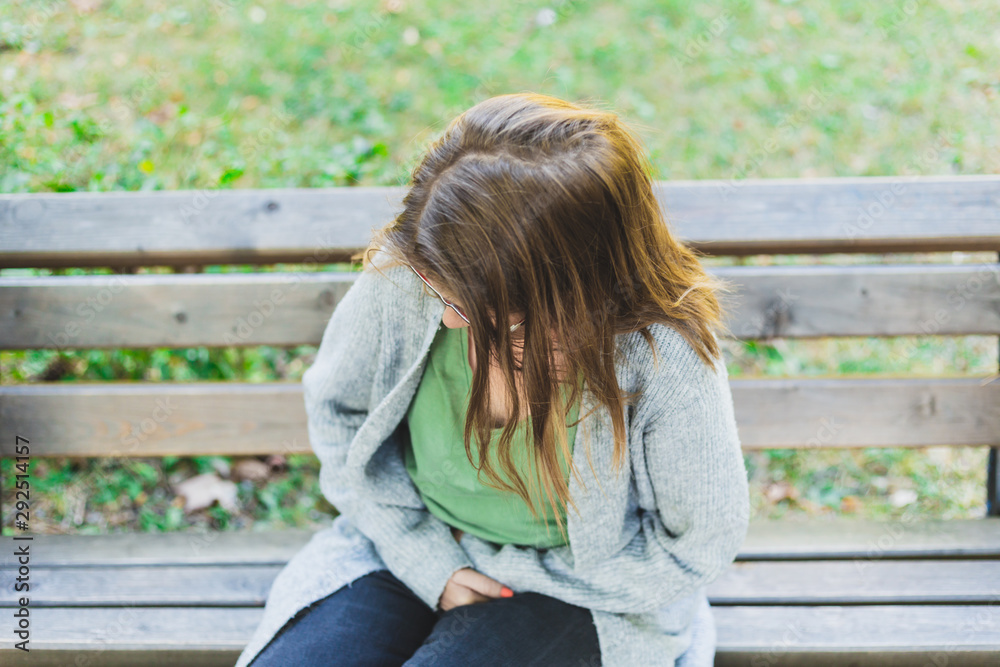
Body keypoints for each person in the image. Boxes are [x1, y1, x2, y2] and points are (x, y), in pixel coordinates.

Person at [236, 92, 749, 667]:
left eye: (469, 304)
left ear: (564, 291)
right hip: (402, 547)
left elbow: (695, 546)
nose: (445, 313)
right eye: (436, 288)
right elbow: (340, 419)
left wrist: (501, 570)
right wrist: (430, 561)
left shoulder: (660, 355)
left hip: (587, 590)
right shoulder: (415, 276)